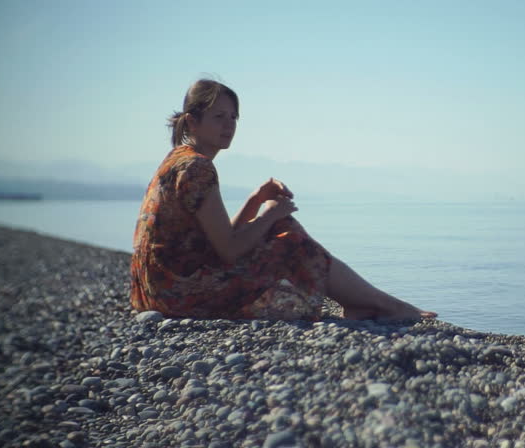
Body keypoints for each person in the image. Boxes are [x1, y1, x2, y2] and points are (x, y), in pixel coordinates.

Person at [130, 79, 437, 322]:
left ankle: (372, 303)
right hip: (180, 293)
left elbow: (217, 241)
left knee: (281, 227)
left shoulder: (179, 160)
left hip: (159, 289)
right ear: (192, 123)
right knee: (289, 236)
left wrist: (255, 200)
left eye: (234, 117)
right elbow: (228, 250)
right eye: (219, 117)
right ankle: (384, 304)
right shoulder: (197, 167)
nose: (230, 125)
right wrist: (269, 216)